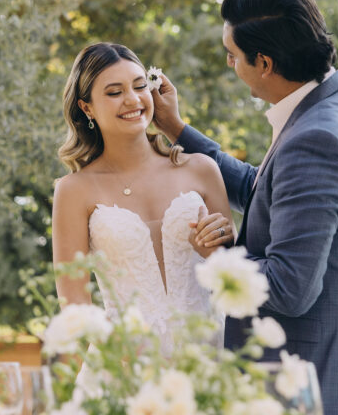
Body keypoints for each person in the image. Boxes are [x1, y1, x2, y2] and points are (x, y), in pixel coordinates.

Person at [151, 0, 338, 415]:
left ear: (264, 62)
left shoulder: (314, 139)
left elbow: (289, 288)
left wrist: (218, 257)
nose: (229, 64)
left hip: (320, 388)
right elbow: (265, 190)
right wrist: (177, 129)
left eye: (232, 55)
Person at [52, 42, 235, 353]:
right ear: (87, 107)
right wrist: (122, 366)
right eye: (114, 92)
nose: (133, 99)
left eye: (140, 86)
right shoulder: (74, 190)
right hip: (124, 369)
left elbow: (237, 280)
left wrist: (219, 250)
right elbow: (75, 306)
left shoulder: (201, 169)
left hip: (208, 359)